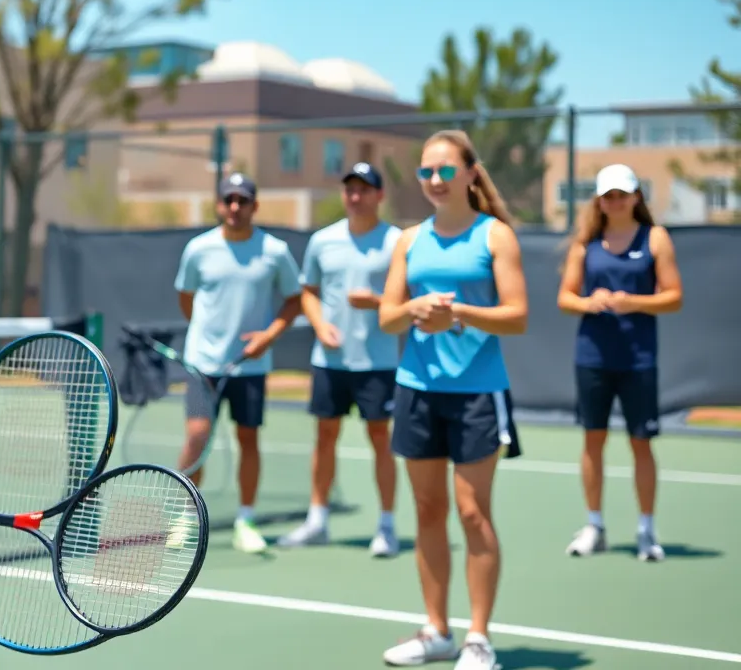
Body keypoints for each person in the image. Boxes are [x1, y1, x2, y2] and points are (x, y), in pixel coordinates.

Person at [377, 130, 528, 670]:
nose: (435, 180)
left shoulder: (495, 237)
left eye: (445, 170)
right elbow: (388, 316)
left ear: (470, 173)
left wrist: (458, 314)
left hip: (477, 395)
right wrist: (417, 307)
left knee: (472, 512)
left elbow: (517, 316)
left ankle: (479, 638)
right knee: (427, 510)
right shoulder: (409, 240)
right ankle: (437, 630)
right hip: (417, 390)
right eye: (426, 172)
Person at [557, 163, 682, 563]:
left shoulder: (655, 238)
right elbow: (566, 298)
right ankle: (595, 525)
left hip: (638, 360)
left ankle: (647, 530)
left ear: (635, 197)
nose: (615, 202)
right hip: (592, 357)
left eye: (622, 195)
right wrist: (587, 302)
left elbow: (674, 296)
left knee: (640, 443)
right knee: (593, 441)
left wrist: (634, 303)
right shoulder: (585, 243)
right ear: (599, 200)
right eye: (608, 196)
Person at [277, 162, 402, 557]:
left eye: (364, 189)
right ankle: (318, 521)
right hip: (329, 362)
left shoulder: (399, 242)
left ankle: (386, 526)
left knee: (381, 439)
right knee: (325, 437)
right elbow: (308, 292)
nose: (355, 195)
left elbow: (409, 299)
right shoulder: (323, 241)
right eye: (350, 188)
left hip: (378, 362)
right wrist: (319, 325)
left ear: (379, 196)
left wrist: (379, 302)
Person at [173, 172, 302, 554]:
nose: (235, 207)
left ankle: (246, 518)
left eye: (242, 200)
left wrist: (268, 336)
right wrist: (207, 336)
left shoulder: (275, 251)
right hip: (202, 365)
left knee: (249, 439)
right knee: (197, 436)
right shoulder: (198, 249)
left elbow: (293, 300)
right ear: (219, 205)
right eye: (228, 199)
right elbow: (187, 299)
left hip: (250, 367)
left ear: (254, 206)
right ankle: (185, 515)